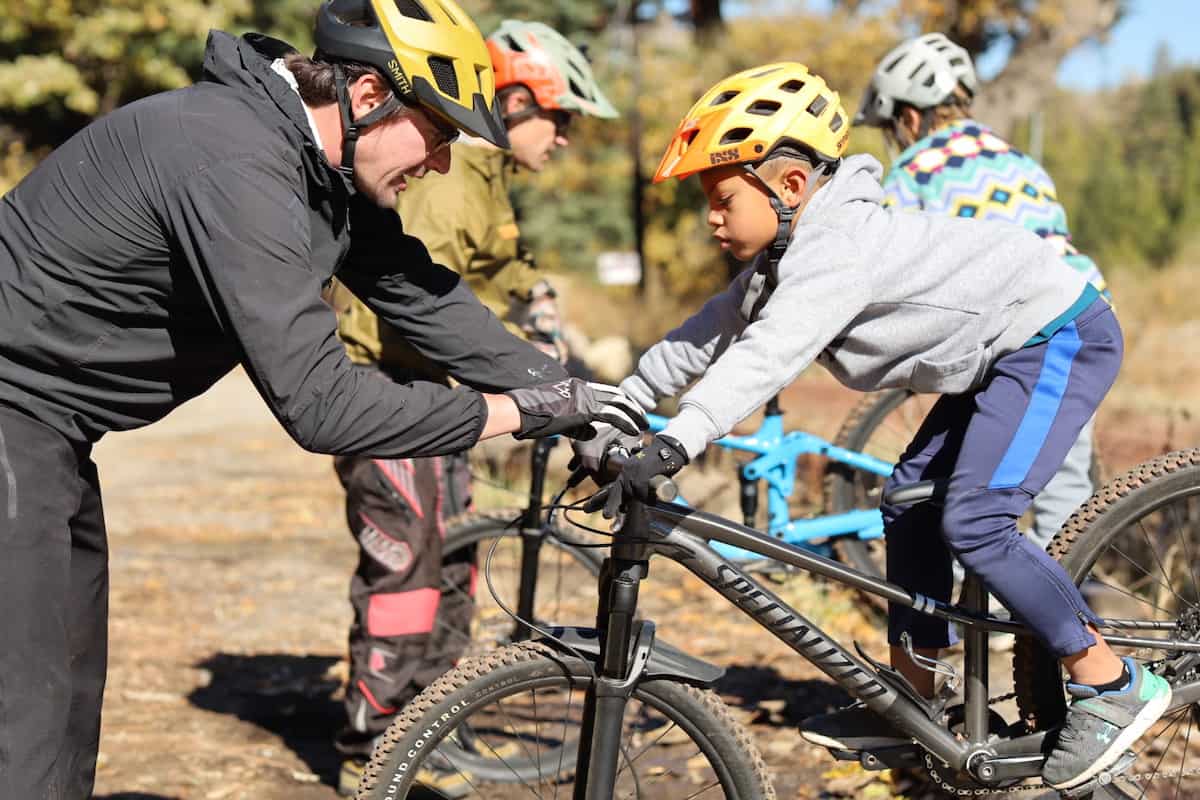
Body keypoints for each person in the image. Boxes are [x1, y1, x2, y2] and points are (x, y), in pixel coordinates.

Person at [0, 1, 644, 797]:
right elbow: (321, 404)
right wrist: (519, 415)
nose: (441, 165)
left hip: (51, 432)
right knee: (22, 718)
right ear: (370, 94)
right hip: (12, 417)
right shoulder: (237, 161)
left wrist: (573, 396)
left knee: (64, 698)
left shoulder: (313, 170)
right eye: (439, 134)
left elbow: (424, 297)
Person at [576, 62, 1168, 790]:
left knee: (978, 521)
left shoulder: (836, 250)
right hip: (996, 355)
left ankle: (1110, 684)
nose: (711, 217)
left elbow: (771, 353)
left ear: (790, 187)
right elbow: (708, 333)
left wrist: (677, 438)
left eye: (722, 197)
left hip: (1056, 334)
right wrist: (625, 403)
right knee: (907, 502)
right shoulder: (782, 259)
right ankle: (915, 696)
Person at [329, 19, 619, 796]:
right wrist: (517, 371)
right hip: (389, 393)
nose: (564, 141)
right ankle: (374, 744)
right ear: (517, 100)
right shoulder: (451, 179)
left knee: (449, 559)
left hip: (438, 395)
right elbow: (408, 298)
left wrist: (535, 296)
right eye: (561, 120)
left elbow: (495, 263)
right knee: (409, 563)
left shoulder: (483, 180)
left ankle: (426, 724)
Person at [855, 32, 1109, 551]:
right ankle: (1066, 592)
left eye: (890, 127)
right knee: (1064, 488)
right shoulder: (1017, 159)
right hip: (1084, 316)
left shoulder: (915, 169)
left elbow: (891, 263)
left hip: (1007, 332)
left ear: (908, 116)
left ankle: (989, 613)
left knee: (960, 485)